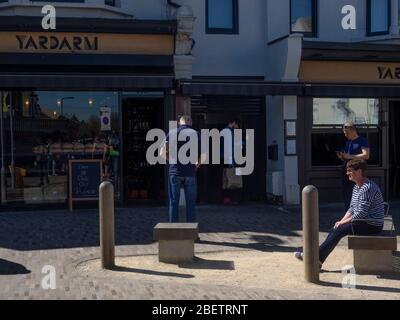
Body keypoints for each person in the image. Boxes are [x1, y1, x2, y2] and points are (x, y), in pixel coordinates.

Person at [294, 159, 384, 268]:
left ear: (359, 171)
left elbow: (361, 213)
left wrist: (342, 223)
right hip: (364, 221)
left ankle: (315, 257)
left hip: (372, 225)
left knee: (339, 230)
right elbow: (352, 209)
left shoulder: (367, 188)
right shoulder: (357, 187)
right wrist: (341, 221)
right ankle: (318, 258)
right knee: (336, 228)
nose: (347, 173)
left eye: (350, 170)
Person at [160, 115, 203, 223]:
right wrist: (196, 165)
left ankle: (172, 230)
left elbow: (161, 153)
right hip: (190, 173)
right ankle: (191, 231)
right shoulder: (196, 134)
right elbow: (204, 155)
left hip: (175, 172)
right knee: (191, 203)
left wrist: (171, 161)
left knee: (174, 202)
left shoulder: (172, 133)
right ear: (190, 122)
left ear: (180, 122)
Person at [336, 122, 370, 210]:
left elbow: (366, 155)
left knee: (356, 190)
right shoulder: (348, 142)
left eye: (347, 133)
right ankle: (349, 210)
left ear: (353, 130)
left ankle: (357, 210)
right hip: (347, 170)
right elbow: (347, 157)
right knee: (346, 191)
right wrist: (342, 156)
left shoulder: (362, 140)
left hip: (357, 171)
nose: (345, 135)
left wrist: (350, 156)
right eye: (344, 133)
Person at [220, 119, 241, 204]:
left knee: (225, 179)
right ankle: (230, 198)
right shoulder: (228, 132)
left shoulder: (224, 131)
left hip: (223, 157)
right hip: (228, 158)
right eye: (237, 125)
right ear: (234, 123)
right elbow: (229, 147)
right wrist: (231, 162)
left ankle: (226, 198)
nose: (237, 127)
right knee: (231, 178)